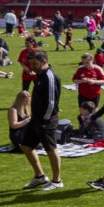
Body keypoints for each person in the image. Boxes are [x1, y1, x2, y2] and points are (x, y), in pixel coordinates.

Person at [20, 51, 63, 191]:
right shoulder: (39, 75)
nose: (32, 67)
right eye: (30, 64)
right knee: (26, 146)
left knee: (51, 149)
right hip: (36, 119)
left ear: (44, 61)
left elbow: (51, 103)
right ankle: (40, 176)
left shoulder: (50, 77)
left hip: (46, 120)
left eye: (34, 64)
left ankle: (57, 180)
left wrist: (44, 121)